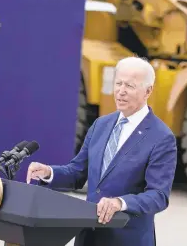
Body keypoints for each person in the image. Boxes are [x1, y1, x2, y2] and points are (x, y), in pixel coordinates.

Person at [27, 56, 178, 246]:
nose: (121, 92)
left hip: (127, 239)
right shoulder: (101, 125)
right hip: (89, 237)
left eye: (130, 86)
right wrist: (49, 173)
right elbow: (77, 172)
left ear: (148, 91)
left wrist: (120, 203)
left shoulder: (162, 137)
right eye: (118, 83)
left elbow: (158, 196)